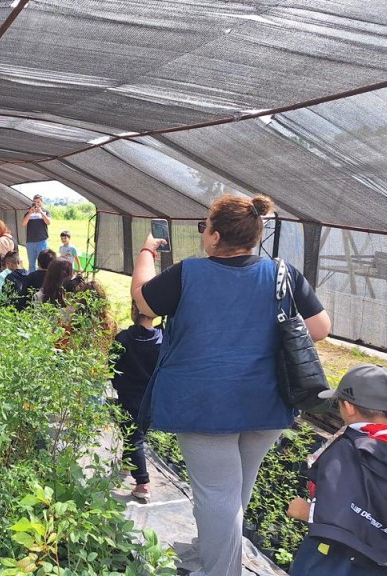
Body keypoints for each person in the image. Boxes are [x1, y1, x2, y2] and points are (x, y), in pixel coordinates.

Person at [131, 194, 331, 576]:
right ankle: (213, 548)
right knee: (235, 489)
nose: (203, 232)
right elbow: (320, 328)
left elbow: (144, 302)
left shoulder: (189, 272)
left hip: (205, 404)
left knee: (218, 494)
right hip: (268, 401)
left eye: (204, 226)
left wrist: (146, 251)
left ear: (216, 236)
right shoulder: (281, 273)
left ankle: (221, 570)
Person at [286, 364, 387, 576]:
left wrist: (303, 510)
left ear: (348, 407)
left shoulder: (347, 449)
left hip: (335, 562)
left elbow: (338, 514)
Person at [111, 302, 162, 503]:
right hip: (150, 397)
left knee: (134, 437)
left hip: (127, 394)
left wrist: (118, 383)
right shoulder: (162, 341)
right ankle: (127, 462)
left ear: (133, 310)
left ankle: (143, 483)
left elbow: (112, 367)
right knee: (136, 433)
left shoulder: (122, 338)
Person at [21, 194, 51, 273]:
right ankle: (32, 281)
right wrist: (30, 213)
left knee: (43, 262)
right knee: (31, 264)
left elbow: (48, 222)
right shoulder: (28, 213)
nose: (36, 204)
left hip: (41, 241)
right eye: (34, 202)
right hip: (30, 241)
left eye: (38, 202)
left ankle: (42, 280)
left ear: (41, 202)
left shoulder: (45, 212)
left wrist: (41, 212)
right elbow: (23, 224)